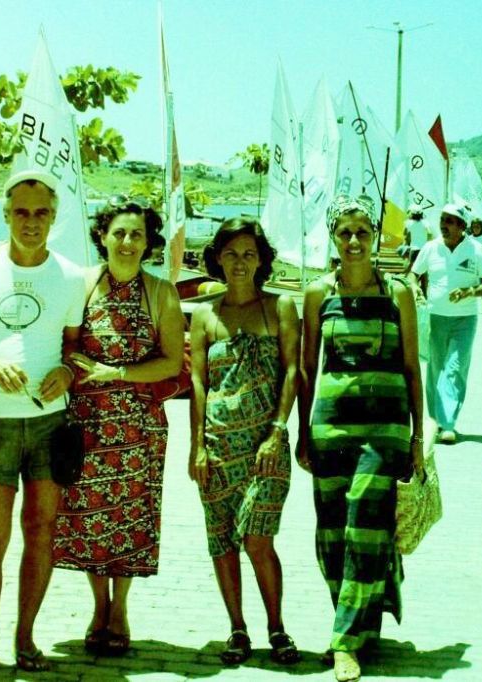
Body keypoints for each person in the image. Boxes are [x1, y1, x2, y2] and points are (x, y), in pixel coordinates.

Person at [0, 170, 86, 676]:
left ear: (54, 217)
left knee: (42, 532)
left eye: (41, 213)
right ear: (6, 215)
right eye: (22, 212)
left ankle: (25, 636)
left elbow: (73, 344)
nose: (31, 222)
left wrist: (66, 370)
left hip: (50, 425)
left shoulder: (72, 275)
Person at [300, 195, 424, 682]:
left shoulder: (399, 293)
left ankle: (345, 641)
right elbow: (308, 369)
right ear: (332, 236)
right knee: (331, 536)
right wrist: (300, 434)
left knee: (364, 531)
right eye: (344, 233)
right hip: (329, 430)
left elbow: (413, 367)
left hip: (383, 433)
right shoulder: (316, 294)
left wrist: (418, 437)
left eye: (363, 233)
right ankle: (361, 621)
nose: (353, 242)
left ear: (376, 237)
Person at [53, 196, 184, 656]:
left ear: (149, 243)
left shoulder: (162, 293)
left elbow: (170, 363)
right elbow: (64, 343)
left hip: (138, 427)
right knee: (89, 518)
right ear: (103, 237)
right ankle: (97, 606)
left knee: (132, 517)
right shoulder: (80, 286)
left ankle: (121, 609)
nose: (127, 242)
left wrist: (120, 374)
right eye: (119, 233)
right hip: (87, 423)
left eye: (137, 235)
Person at [188, 217, 301, 667]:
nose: (240, 262)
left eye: (249, 254)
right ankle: (237, 628)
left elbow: (293, 371)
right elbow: (198, 382)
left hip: (264, 446)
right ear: (217, 257)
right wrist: (196, 445)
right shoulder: (204, 314)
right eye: (231, 253)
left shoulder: (280, 308)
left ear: (262, 260)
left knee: (257, 538)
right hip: (216, 446)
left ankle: (277, 626)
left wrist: (278, 431)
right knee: (222, 540)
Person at [411, 203, 482, 444]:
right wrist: (416, 288)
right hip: (435, 318)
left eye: (449, 221)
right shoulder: (431, 248)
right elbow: (413, 274)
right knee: (435, 369)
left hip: (465, 320)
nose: (443, 225)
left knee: (455, 367)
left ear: (461, 226)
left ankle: (448, 424)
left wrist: (468, 292)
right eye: (442, 220)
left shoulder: (477, 250)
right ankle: (433, 422)